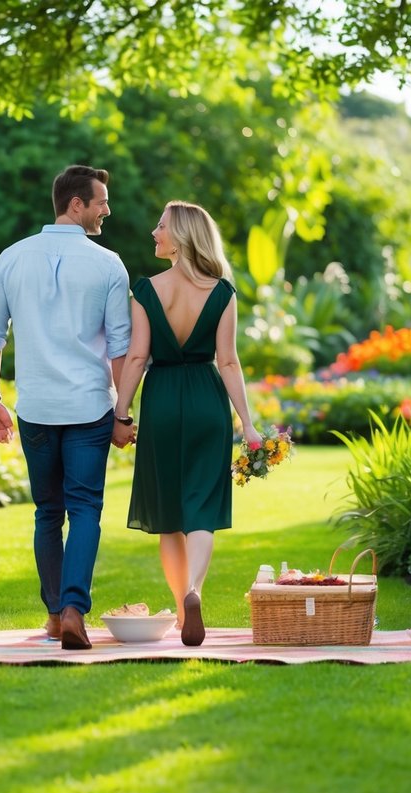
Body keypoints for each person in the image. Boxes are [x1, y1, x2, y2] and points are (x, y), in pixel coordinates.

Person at [0, 165, 132, 650]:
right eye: (101, 201)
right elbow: (120, 348)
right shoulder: (109, 265)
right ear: (76, 204)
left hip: (37, 408)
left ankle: (52, 615)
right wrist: (123, 413)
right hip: (90, 408)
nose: (107, 209)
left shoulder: (10, 257)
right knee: (85, 509)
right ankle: (72, 610)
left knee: (48, 512)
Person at [112, 201, 261, 647]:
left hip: (161, 400)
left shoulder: (146, 289)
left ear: (180, 236)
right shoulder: (223, 292)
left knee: (168, 515)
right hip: (206, 402)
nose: (154, 232)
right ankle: (195, 590)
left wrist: (122, 412)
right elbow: (229, 362)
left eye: (161, 226)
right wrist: (248, 425)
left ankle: (181, 608)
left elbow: (137, 357)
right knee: (201, 510)